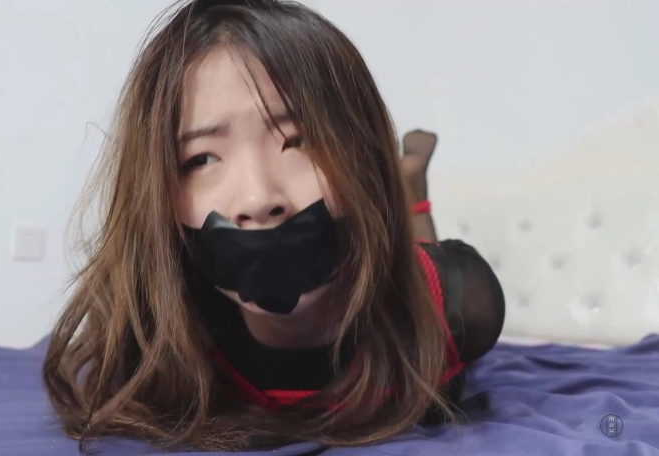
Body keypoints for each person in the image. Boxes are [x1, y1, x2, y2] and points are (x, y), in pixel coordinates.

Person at [42, 0, 505, 451]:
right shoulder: (147, 340)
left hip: (414, 278)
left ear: (367, 157)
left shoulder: (465, 305)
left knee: (413, 253)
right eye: (201, 159)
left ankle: (410, 189)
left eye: (298, 141)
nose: (258, 199)